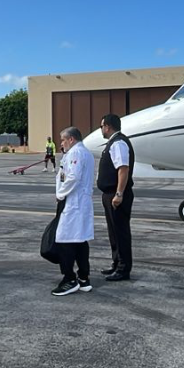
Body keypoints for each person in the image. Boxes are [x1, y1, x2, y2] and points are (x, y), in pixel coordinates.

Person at [51, 126, 95, 296]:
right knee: (80, 240)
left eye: (63, 140)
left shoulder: (76, 153)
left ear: (71, 139)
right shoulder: (84, 153)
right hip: (80, 203)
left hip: (73, 202)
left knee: (65, 240)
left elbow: (73, 177)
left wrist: (60, 194)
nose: (61, 143)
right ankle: (84, 278)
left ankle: (69, 278)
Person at [96, 114, 135, 282]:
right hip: (110, 194)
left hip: (116, 195)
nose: (101, 129)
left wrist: (119, 193)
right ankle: (117, 263)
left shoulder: (118, 143)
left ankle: (123, 268)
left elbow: (123, 169)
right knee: (113, 232)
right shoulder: (113, 142)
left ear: (108, 126)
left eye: (101, 126)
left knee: (120, 233)